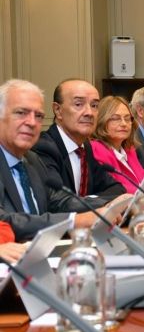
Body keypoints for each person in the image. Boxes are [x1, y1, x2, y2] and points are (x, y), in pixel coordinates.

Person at [0, 79, 119, 241]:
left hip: (42, 249)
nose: (32, 122)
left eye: (39, 116)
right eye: (21, 113)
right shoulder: (41, 150)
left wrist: (106, 208)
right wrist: (74, 221)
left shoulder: (31, 159)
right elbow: (3, 220)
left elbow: (57, 201)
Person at [32, 79, 125, 201]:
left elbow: (117, 188)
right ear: (58, 110)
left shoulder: (85, 147)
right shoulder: (43, 148)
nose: (89, 113)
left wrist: (88, 200)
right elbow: (57, 201)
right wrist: (93, 202)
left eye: (94, 106)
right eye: (78, 104)